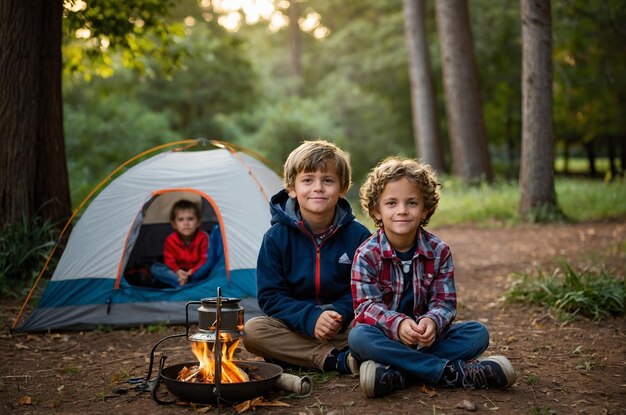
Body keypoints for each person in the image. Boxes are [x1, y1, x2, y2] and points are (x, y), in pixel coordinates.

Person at [349, 156, 516, 398]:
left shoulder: (439, 251)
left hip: (426, 340)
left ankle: (396, 374)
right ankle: (452, 372)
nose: (402, 211)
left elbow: (444, 303)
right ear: (376, 209)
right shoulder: (366, 254)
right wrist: (398, 324)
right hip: (385, 338)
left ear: (426, 208)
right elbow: (365, 307)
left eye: (412, 203)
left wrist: (432, 323)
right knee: (359, 337)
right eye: (392, 203)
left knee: (477, 333)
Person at [243, 140, 371, 374]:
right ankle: (335, 359)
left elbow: (365, 290)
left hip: (343, 325)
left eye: (328, 180)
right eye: (308, 180)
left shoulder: (359, 235)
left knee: (370, 327)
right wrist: (311, 319)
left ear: (342, 188)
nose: (318, 187)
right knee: (253, 331)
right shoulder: (276, 237)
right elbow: (271, 297)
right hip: (295, 325)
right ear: (292, 188)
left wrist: (337, 316)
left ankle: (297, 356)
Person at [150, 199, 223, 288]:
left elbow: (204, 260)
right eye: (181, 220)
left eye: (190, 219)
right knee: (155, 268)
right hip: (177, 272)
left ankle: (183, 282)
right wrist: (177, 271)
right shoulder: (170, 240)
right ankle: (179, 280)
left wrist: (192, 271)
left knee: (207, 266)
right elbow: (169, 261)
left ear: (198, 222)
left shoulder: (203, 237)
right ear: (174, 224)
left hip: (196, 272)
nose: (186, 223)